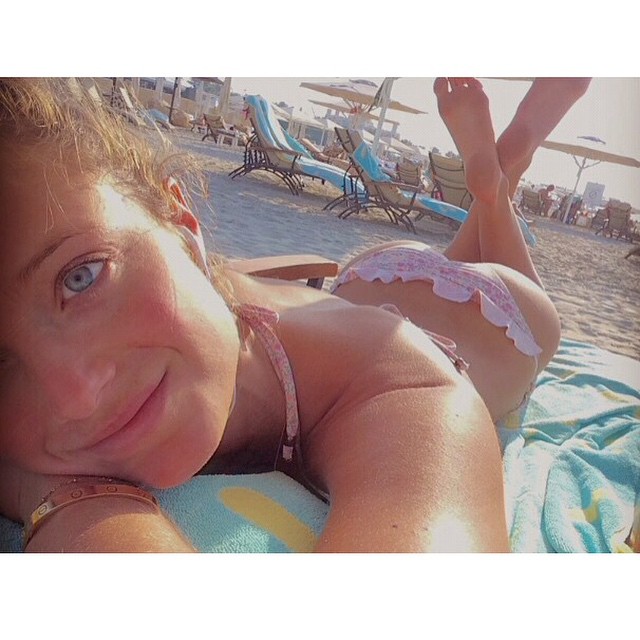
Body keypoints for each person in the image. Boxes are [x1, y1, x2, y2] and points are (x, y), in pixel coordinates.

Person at [0, 77, 590, 553]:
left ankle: (497, 184)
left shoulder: (400, 377)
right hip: (367, 279)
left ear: (182, 223)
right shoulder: (177, 299)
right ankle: (495, 177)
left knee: (523, 298)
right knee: (462, 247)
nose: (75, 396)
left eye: (82, 277)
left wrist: (66, 504)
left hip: (496, 315)